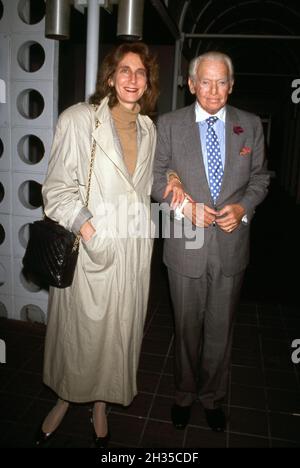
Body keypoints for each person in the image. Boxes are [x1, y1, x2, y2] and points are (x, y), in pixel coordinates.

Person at [35, 42, 166, 448]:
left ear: (148, 83)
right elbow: (56, 191)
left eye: (140, 72)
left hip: (133, 250)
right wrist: (90, 234)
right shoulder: (78, 120)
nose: (132, 79)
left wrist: (173, 181)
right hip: (93, 245)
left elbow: (147, 185)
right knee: (80, 334)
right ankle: (64, 397)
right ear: (109, 77)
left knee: (119, 334)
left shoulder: (148, 128)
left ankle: (101, 404)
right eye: (124, 70)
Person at [151, 51, 270, 432]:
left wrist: (244, 208)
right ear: (191, 83)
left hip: (232, 248)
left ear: (232, 85)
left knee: (221, 329)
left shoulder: (249, 125)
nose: (214, 90)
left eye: (222, 82)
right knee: (185, 329)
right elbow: (153, 179)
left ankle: (212, 398)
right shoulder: (168, 125)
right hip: (184, 245)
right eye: (206, 81)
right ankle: (184, 394)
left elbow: (260, 178)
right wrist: (184, 206)